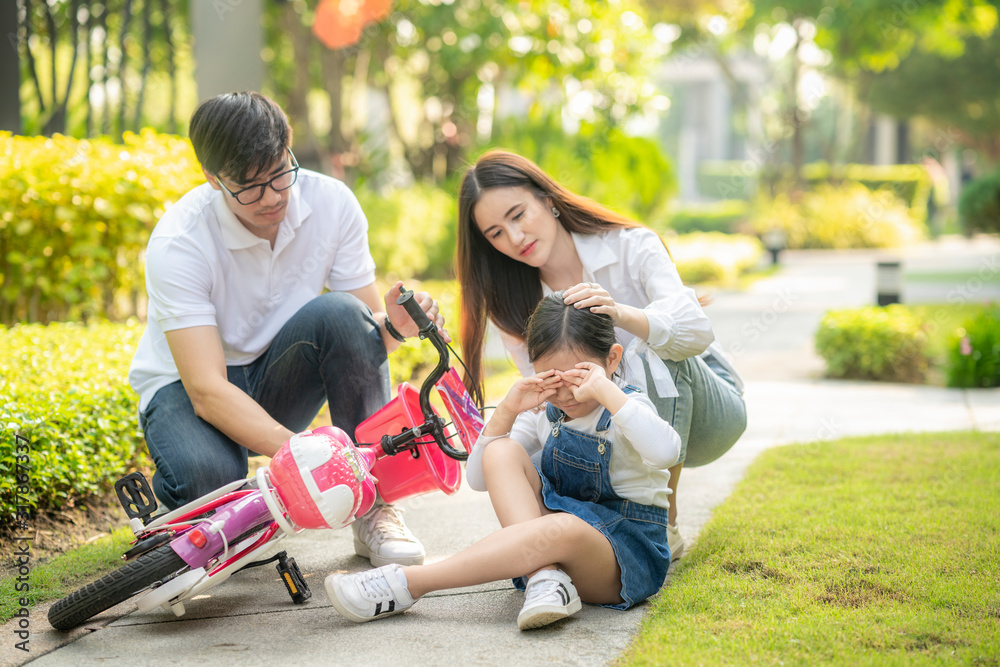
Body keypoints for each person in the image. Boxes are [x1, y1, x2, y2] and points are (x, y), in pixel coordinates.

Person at [127, 91, 442, 567]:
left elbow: (360, 337)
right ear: (213, 180)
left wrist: (395, 329)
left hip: (277, 376)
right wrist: (310, 452)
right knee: (209, 487)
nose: (272, 196)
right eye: (250, 187)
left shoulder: (332, 204)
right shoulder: (180, 242)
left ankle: (375, 506)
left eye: (279, 174)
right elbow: (207, 390)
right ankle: (189, 503)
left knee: (339, 312)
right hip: (188, 390)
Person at [454, 150, 747, 559]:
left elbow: (697, 332)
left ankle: (665, 521)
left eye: (518, 215)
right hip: (623, 430)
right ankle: (575, 543)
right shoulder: (513, 303)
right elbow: (549, 403)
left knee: (650, 351)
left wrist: (621, 313)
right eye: (496, 233)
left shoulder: (630, 247)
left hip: (707, 411)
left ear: (548, 200)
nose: (514, 238)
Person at [325, 292, 680, 629]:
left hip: (622, 557)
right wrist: (508, 410)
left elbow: (666, 452)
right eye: (552, 379)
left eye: (579, 376)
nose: (566, 394)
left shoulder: (627, 405)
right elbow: (480, 477)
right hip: (555, 540)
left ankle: (408, 583)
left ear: (612, 359)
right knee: (501, 449)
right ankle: (546, 578)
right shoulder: (545, 408)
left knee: (563, 528)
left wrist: (605, 390)